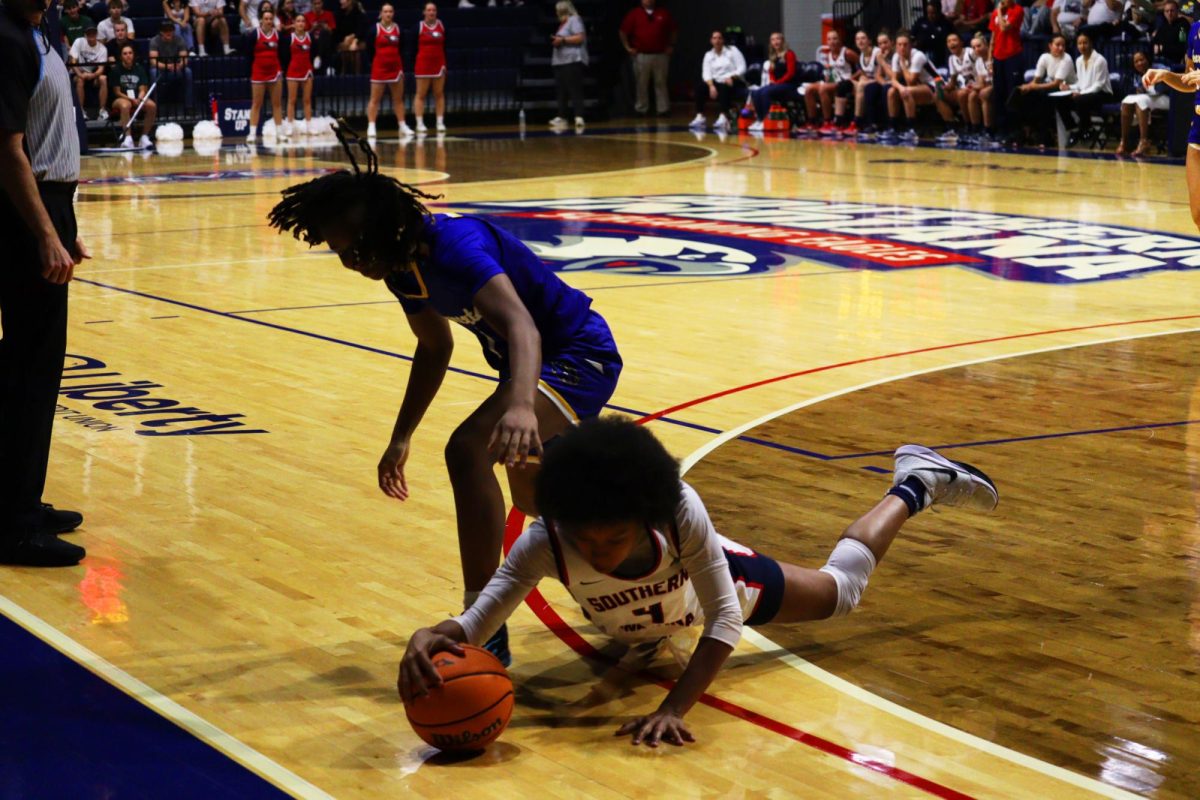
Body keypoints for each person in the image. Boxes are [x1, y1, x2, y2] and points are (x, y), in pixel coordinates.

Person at [397, 418, 999, 746]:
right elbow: (478, 620)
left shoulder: (679, 509)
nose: (597, 552)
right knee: (636, 635)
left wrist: (674, 708)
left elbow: (726, 619)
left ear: (648, 517)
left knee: (841, 594)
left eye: (613, 539)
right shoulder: (543, 542)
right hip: (641, 619)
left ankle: (916, 483)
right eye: (585, 540)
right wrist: (434, 632)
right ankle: (649, 637)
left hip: (719, 587)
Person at [267, 130, 623, 667]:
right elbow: (435, 346)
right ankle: (646, 558)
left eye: (351, 250)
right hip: (532, 369)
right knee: (534, 500)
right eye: (338, 253)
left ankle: (482, 623)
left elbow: (522, 327)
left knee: (467, 448)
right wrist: (401, 435)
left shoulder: (456, 249)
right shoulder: (402, 269)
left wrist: (522, 404)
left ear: (379, 229)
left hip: (577, 354)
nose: (349, 264)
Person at [0, 0, 89, 567]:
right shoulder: (7, 37)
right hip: (23, 216)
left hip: (50, 207)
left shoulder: (38, 30)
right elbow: (7, 151)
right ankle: (15, 524)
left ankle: (19, 501)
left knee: (31, 367)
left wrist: (63, 223)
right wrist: (43, 232)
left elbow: (47, 132)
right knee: (31, 369)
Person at [882, 30, 955, 143]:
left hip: (936, 84)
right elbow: (893, 79)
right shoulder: (896, 56)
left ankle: (911, 130)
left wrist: (903, 65)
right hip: (919, 86)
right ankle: (893, 128)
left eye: (905, 44)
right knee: (892, 91)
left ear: (911, 45)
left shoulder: (918, 56)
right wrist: (900, 88)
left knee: (907, 91)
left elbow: (910, 81)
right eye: (899, 45)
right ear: (895, 46)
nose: (902, 47)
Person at [1009, 33, 1076, 147]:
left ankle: (1044, 137)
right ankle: (1020, 132)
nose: (1061, 48)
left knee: (1042, 97)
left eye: (1063, 45)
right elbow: (1036, 80)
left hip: (1067, 90)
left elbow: (1056, 83)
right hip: (1050, 89)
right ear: (1050, 45)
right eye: (1057, 45)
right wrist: (1026, 87)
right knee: (1019, 92)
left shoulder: (1067, 59)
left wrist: (1033, 87)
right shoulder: (1044, 57)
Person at [619, 0, 677, 116]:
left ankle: (663, 109)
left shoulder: (663, 13)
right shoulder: (634, 13)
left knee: (661, 82)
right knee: (641, 83)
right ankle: (641, 109)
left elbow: (673, 30)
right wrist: (627, 47)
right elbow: (623, 31)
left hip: (660, 54)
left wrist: (671, 45)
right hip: (641, 55)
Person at [1054, 31, 1112, 142]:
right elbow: (1081, 83)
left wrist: (1081, 93)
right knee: (1060, 100)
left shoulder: (1100, 60)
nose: (1082, 46)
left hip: (1102, 94)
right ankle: (1073, 129)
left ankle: (1086, 128)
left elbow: (1098, 85)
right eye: (1079, 43)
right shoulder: (1079, 60)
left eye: (1085, 43)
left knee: (1080, 100)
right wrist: (1069, 87)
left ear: (1091, 44)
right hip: (1086, 93)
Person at [365, 2, 410, 138]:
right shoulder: (374, 30)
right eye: (385, 11)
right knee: (375, 99)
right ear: (381, 14)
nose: (388, 14)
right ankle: (371, 125)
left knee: (398, 99)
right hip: (379, 68)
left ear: (393, 13)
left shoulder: (399, 30)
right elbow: (369, 50)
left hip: (396, 68)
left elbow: (401, 48)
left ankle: (402, 125)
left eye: (390, 11)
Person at [802, 29, 858, 135]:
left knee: (823, 89)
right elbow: (831, 74)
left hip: (845, 82)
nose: (832, 41)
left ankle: (827, 121)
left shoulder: (847, 52)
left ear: (840, 40)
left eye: (834, 38)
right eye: (829, 39)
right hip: (834, 80)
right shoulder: (828, 55)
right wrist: (827, 74)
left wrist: (853, 78)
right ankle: (812, 121)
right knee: (809, 89)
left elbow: (862, 66)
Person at [688, 29, 746, 132]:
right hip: (716, 81)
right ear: (711, 41)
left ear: (723, 40)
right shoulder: (708, 55)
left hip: (733, 79)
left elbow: (742, 67)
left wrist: (732, 77)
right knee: (700, 88)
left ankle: (723, 117)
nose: (717, 40)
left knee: (724, 86)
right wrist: (711, 86)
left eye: (719, 38)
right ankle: (700, 116)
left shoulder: (732, 50)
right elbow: (706, 74)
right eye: (714, 38)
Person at [1117, 50, 1168, 155]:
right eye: (1136, 61)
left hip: (1166, 97)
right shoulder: (1137, 75)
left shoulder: (1159, 67)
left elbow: (1165, 86)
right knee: (1127, 100)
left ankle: (1143, 141)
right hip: (1150, 99)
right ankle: (1124, 142)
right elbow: (1134, 90)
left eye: (1141, 59)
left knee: (1141, 100)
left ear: (1147, 59)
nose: (1139, 63)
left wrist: (1148, 89)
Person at [245, 7, 284, 143]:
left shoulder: (278, 35)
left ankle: (280, 133)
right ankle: (252, 133)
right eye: (266, 19)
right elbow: (248, 54)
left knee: (277, 103)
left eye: (270, 19)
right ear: (261, 20)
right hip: (259, 72)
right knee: (257, 103)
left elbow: (283, 53)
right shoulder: (254, 35)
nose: (268, 21)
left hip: (275, 72)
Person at [746, 31, 797, 134]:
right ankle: (760, 119)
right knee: (756, 92)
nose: (776, 42)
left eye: (778, 39)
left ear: (782, 41)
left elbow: (790, 73)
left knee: (765, 92)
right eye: (773, 40)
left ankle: (767, 118)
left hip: (789, 84)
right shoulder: (773, 56)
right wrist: (773, 80)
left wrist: (778, 82)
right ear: (771, 43)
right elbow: (771, 71)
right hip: (777, 84)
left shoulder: (789, 54)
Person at [988, 0, 1024, 141]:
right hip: (998, 56)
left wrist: (1000, 13)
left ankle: (1016, 130)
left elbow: (1004, 28)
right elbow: (994, 35)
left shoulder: (1017, 10)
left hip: (1013, 56)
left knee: (1012, 94)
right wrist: (990, 58)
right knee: (999, 93)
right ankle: (1002, 130)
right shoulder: (996, 12)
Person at [109, 42, 156, 147]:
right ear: (121, 56)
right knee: (126, 105)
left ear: (133, 55)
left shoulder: (139, 69)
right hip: (120, 98)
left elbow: (143, 88)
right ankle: (128, 138)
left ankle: (144, 137)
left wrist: (140, 97)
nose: (128, 55)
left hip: (136, 98)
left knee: (151, 106)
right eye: (125, 53)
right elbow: (117, 92)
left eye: (130, 53)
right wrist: (131, 99)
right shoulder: (116, 70)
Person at [549, 0, 587, 130]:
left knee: (574, 89)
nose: (556, 13)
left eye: (558, 10)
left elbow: (580, 37)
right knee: (561, 91)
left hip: (572, 60)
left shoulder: (574, 19)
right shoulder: (562, 24)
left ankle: (579, 116)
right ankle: (562, 116)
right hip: (560, 61)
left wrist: (563, 40)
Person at [413, 2, 447, 134]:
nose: (431, 12)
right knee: (421, 94)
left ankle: (439, 122)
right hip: (423, 64)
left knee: (439, 93)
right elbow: (412, 46)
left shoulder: (442, 26)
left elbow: (446, 44)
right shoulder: (418, 27)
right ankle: (420, 123)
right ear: (424, 12)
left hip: (439, 63)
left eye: (434, 10)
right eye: (429, 10)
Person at [853, 29, 894, 139]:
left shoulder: (880, 54)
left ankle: (859, 121)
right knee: (858, 85)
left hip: (893, 82)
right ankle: (867, 123)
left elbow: (891, 75)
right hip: (881, 81)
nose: (860, 41)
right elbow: (876, 75)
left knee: (868, 88)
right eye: (857, 39)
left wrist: (883, 82)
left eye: (863, 38)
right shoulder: (861, 56)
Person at [149, 19, 194, 112]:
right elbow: (153, 61)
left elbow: (184, 58)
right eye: (165, 30)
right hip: (161, 69)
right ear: (161, 31)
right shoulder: (154, 41)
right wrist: (168, 66)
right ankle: (155, 107)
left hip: (176, 69)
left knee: (188, 72)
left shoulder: (179, 39)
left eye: (170, 30)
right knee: (153, 73)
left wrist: (179, 65)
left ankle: (189, 106)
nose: (168, 32)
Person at [68, 24, 108, 119]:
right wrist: (80, 74)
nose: (91, 35)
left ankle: (102, 110)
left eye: (93, 33)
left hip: (93, 74)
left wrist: (92, 75)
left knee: (103, 78)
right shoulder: (79, 42)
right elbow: (72, 61)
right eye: (89, 34)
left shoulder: (102, 48)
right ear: (85, 35)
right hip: (78, 72)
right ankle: (80, 110)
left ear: (96, 34)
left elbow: (101, 69)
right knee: (80, 80)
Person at [285, 11, 314, 135]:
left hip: (307, 71)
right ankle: (290, 125)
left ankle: (309, 125)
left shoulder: (309, 37)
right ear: (294, 24)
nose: (301, 23)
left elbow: (315, 52)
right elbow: (283, 55)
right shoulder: (289, 38)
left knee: (307, 100)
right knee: (292, 100)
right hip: (293, 71)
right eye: (298, 21)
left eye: (303, 21)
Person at [333, 0, 367, 74]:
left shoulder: (359, 13)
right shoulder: (339, 13)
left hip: (358, 40)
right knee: (346, 47)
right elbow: (337, 33)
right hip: (343, 41)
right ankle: (344, 74)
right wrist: (345, 40)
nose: (341, 1)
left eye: (343, 0)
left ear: (350, 1)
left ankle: (357, 76)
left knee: (355, 50)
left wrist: (353, 38)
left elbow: (361, 30)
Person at [1153, 1, 1189, 66]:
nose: (1169, 13)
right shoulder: (1163, 26)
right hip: (1161, 62)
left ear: (1177, 11)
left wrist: (1163, 48)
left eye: (1172, 10)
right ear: (1164, 13)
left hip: (1176, 63)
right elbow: (1155, 44)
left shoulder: (1183, 24)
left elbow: (1182, 47)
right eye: (1167, 11)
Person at [304, 0, 335, 73]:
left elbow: (332, 32)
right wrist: (313, 28)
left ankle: (319, 57)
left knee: (324, 33)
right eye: (315, 4)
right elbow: (305, 34)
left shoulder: (329, 14)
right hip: (313, 42)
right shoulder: (307, 15)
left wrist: (326, 27)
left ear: (322, 3)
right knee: (311, 36)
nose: (317, 6)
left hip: (326, 42)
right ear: (312, 4)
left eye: (319, 3)